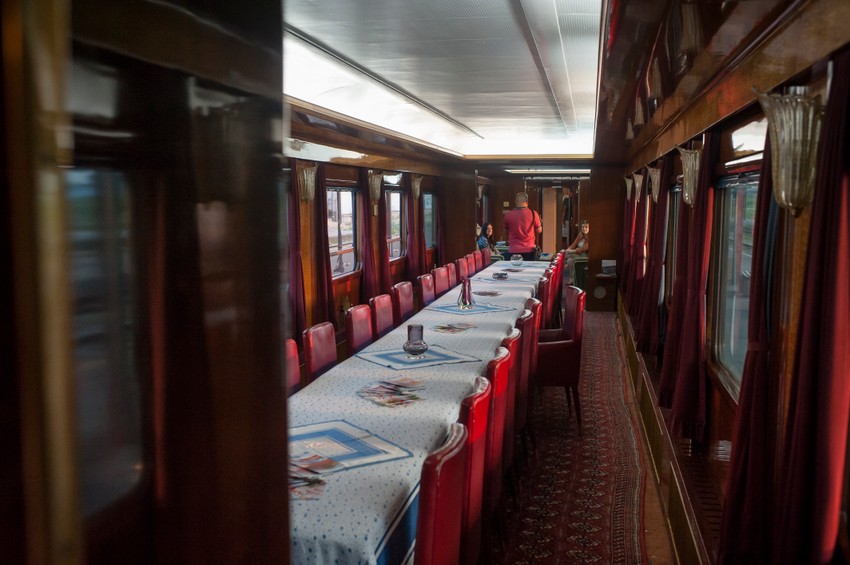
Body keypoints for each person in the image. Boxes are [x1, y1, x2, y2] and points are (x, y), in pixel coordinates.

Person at [503, 192, 542, 261]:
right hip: (529, 249)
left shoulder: (508, 215)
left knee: (514, 267)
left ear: (515, 202)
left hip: (513, 249)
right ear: (527, 202)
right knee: (528, 268)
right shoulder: (534, 214)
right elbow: (539, 230)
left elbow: (505, 231)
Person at [565, 220, 589, 284]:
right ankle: (572, 279)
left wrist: (570, 251)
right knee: (569, 260)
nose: (584, 229)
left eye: (586, 227)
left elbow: (583, 249)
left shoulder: (590, 237)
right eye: (583, 227)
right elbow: (573, 245)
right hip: (578, 256)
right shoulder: (580, 235)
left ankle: (573, 279)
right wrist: (568, 250)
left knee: (570, 255)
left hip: (585, 257)